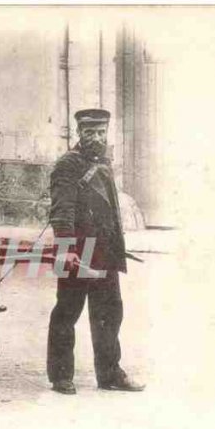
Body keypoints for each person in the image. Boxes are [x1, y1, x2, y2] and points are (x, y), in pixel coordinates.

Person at [46, 108, 145, 395]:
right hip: (78, 250)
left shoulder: (103, 162)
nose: (96, 138)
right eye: (90, 132)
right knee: (67, 312)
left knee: (109, 314)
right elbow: (61, 210)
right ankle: (61, 376)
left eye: (101, 132)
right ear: (79, 133)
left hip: (104, 251)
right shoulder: (68, 164)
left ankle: (110, 374)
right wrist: (65, 248)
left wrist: (117, 247)